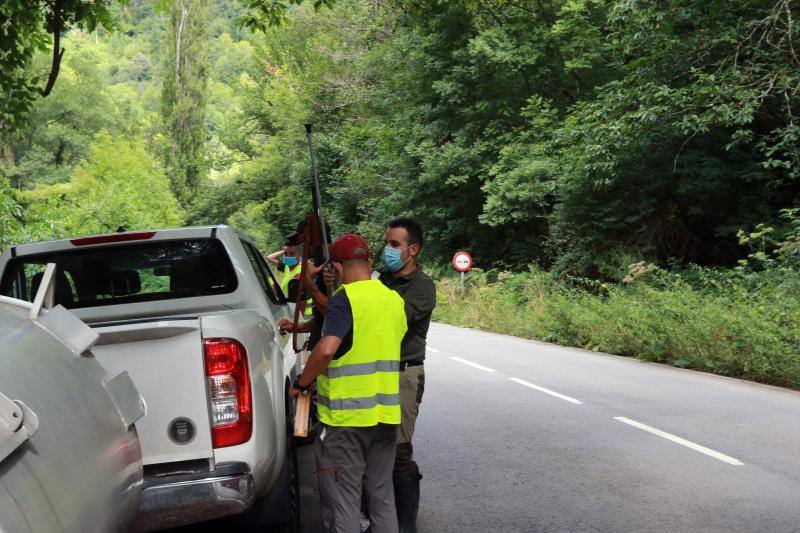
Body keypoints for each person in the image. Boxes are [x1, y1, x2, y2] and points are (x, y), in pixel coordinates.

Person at [288, 218, 436, 533]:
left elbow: (327, 349)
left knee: (345, 498)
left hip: (347, 418)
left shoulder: (346, 299)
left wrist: (303, 383)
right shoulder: (393, 300)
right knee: (381, 496)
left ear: (338, 269)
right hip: (384, 414)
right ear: (369, 262)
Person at [378, 218, 436, 533]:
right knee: (375, 449)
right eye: (386, 242)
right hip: (375, 374)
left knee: (399, 451)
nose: (387, 249)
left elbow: (395, 318)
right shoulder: (380, 280)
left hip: (404, 375)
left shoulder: (422, 286)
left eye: (394, 244)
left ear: (412, 250)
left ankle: (406, 526)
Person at [268, 232, 304, 297]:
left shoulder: (304, 270)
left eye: (292, 254)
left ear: (300, 253)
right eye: (286, 254)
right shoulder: (286, 265)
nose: (288, 257)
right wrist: (285, 250)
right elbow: (270, 258)